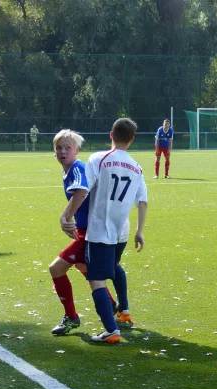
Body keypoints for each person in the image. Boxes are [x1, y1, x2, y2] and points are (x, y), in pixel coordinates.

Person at [62, 118, 147, 343]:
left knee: (97, 280)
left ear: (111, 134)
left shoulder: (98, 159)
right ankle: (124, 310)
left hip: (100, 231)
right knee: (115, 266)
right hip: (122, 233)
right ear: (132, 139)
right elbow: (143, 201)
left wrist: (66, 215)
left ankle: (111, 331)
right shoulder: (137, 167)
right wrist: (140, 231)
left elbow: (82, 190)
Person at [50, 129, 132, 336]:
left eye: (67, 148)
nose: (62, 152)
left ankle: (72, 317)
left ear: (76, 150)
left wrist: (65, 216)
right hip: (89, 229)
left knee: (56, 269)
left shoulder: (77, 168)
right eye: (58, 148)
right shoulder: (69, 169)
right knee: (85, 266)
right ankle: (114, 305)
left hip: (90, 231)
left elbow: (81, 192)